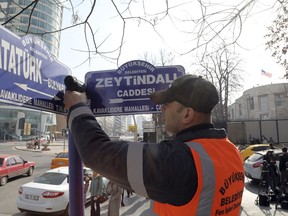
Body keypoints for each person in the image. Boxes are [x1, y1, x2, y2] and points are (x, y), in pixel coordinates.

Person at [64, 74, 245, 215]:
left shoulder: (179, 162)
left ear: (187, 115)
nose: (162, 108)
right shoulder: (231, 151)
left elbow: (97, 153)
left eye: (167, 104)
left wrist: (77, 107)